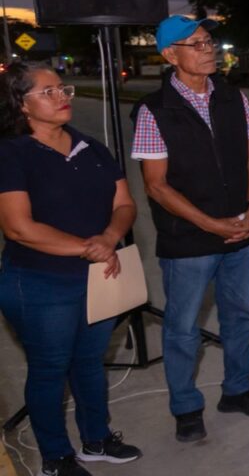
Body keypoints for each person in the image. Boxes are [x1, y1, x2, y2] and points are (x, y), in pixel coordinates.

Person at [131, 15, 249, 444]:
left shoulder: (233, 97)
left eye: (209, 41)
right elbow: (156, 186)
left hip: (240, 228)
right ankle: (186, 407)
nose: (208, 49)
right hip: (190, 237)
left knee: (241, 317)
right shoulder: (154, 110)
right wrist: (209, 223)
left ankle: (238, 389)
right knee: (182, 328)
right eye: (195, 44)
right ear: (170, 56)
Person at [0, 63, 143, 475]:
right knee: (50, 368)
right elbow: (18, 227)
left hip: (99, 276)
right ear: (20, 103)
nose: (62, 96)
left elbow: (125, 204)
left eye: (63, 88)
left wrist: (110, 237)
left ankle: (96, 439)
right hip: (39, 282)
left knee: (89, 362)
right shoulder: (11, 153)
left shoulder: (90, 146)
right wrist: (90, 247)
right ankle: (55, 457)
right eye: (48, 92)